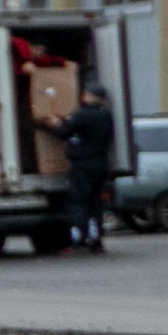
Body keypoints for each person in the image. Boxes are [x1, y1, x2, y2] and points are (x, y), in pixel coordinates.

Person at [61, 75, 117, 252]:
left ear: (89, 96)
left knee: (78, 201)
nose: (83, 96)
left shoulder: (83, 115)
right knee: (95, 202)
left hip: (82, 165)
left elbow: (63, 132)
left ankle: (79, 236)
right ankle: (96, 237)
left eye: (85, 94)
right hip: (100, 164)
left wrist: (55, 124)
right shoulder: (106, 115)